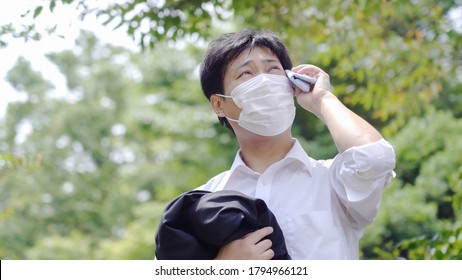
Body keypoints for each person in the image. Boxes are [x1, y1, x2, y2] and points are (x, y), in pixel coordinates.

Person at [196, 29, 396, 260]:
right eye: (246, 73)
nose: (265, 81)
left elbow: (373, 158)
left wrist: (322, 99)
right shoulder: (203, 202)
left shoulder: (333, 181)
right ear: (219, 104)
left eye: (273, 69)